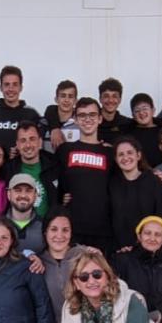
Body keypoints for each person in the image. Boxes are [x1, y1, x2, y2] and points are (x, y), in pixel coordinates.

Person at [55, 98, 114, 251]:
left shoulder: (110, 153)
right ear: (75, 119)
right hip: (72, 230)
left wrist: (154, 173)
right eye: (82, 115)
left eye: (92, 115)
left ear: (100, 118)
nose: (88, 119)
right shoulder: (65, 150)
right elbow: (55, 182)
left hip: (104, 231)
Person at [112, 216, 162, 323]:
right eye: (147, 233)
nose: (152, 238)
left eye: (158, 234)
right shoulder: (122, 260)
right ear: (139, 236)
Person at [108, 137, 162, 251]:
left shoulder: (153, 181)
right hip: (120, 249)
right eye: (121, 154)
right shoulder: (112, 183)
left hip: (148, 248)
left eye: (130, 153)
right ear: (116, 159)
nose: (125, 157)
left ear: (138, 155)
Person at [33, 209, 87, 322]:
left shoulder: (85, 257)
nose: (59, 235)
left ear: (71, 233)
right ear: (45, 232)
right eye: (53, 229)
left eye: (65, 230)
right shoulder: (37, 262)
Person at [0, 120, 59, 214]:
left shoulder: (55, 166)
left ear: (40, 142)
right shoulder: (7, 169)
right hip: (16, 226)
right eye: (23, 140)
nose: (28, 145)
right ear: (17, 145)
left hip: (47, 226)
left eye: (32, 139)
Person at [0, 65, 41, 154]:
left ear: (21, 87)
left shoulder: (31, 113)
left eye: (15, 84)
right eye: (7, 84)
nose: (11, 89)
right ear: (1, 87)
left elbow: (39, 144)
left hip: (22, 166)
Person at [2, 174, 46, 253]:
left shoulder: (44, 227)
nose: (23, 195)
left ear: (35, 195)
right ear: (9, 194)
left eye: (28, 191)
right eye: (18, 190)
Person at [127, 93, 162, 167]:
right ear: (133, 115)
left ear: (153, 111)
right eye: (137, 110)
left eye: (145, 108)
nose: (141, 113)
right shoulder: (129, 133)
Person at [43, 79, 79, 150]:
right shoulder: (43, 123)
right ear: (56, 99)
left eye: (70, 96)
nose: (66, 100)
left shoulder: (80, 124)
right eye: (63, 96)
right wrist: (54, 128)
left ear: (75, 101)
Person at [96, 77, 134, 144]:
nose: (110, 100)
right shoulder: (92, 122)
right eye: (106, 96)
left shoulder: (128, 124)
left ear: (120, 100)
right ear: (100, 99)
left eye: (114, 96)